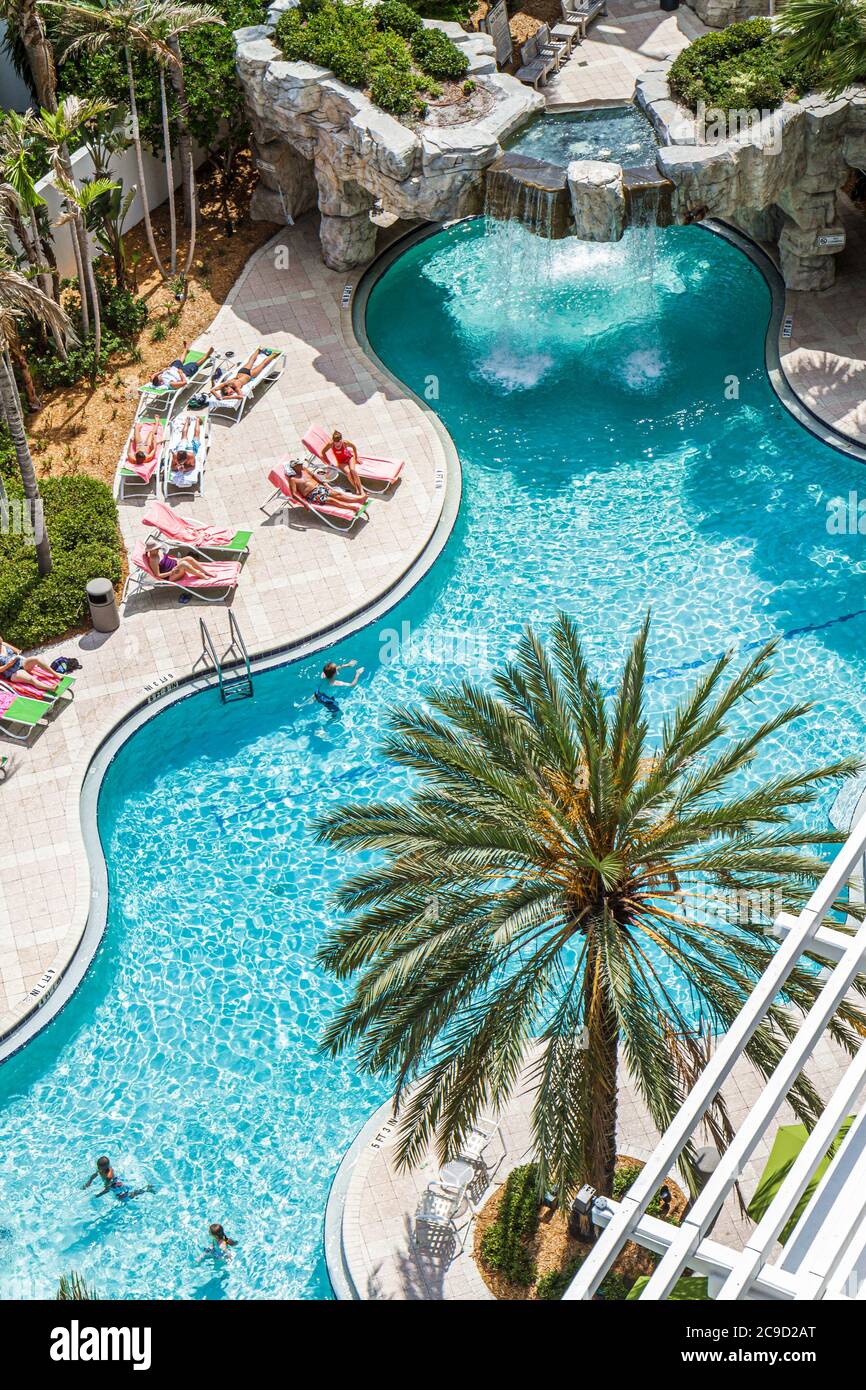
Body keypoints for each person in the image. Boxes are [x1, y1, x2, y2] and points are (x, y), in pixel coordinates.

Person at [285, 459, 366, 513]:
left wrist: (323, 483)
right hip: (312, 494)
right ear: (294, 467)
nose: (301, 465)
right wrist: (304, 503)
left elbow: (314, 476)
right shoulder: (292, 479)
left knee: (338, 494)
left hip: (320, 487)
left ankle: (358, 499)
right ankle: (352, 508)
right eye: (299, 465)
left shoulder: (304, 469)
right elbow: (294, 494)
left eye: (301, 464)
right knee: (332, 500)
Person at [208, 347, 279, 401]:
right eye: (230, 394)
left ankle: (273, 354)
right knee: (251, 361)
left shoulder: (236, 387)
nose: (232, 393)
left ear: (227, 389)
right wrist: (219, 396)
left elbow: (240, 397)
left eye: (229, 393)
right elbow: (212, 390)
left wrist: (225, 397)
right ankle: (258, 350)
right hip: (242, 372)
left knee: (263, 364)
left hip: (250, 374)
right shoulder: (226, 384)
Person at [82, 1155, 153, 1202]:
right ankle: (144, 1189)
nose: (98, 1169)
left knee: (125, 1198)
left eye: (100, 1168)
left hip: (116, 1186)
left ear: (105, 1167)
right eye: (98, 1167)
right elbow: (95, 1174)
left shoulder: (108, 1176)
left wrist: (98, 1195)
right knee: (125, 1194)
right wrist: (89, 1182)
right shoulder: (102, 1168)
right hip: (115, 1181)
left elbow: (107, 1189)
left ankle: (146, 1189)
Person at [321, 429, 366, 498]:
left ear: (341, 440)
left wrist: (356, 458)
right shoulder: (331, 444)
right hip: (341, 462)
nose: (337, 444)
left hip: (350, 458)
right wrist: (328, 462)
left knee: (352, 471)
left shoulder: (345, 443)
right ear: (333, 441)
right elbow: (323, 452)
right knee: (348, 473)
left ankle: (361, 490)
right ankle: (356, 488)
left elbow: (353, 446)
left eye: (338, 442)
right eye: (335, 442)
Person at [143, 539, 211, 584]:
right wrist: (171, 572)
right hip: (171, 575)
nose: (158, 549)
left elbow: (167, 560)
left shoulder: (158, 552)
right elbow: (158, 575)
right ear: (150, 550)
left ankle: (206, 572)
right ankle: (201, 575)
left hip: (175, 565)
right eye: (156, 548)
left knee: (189, 558)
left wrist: (176, 561)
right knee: (184, 564)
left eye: (158, 547)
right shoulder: (153, 561)